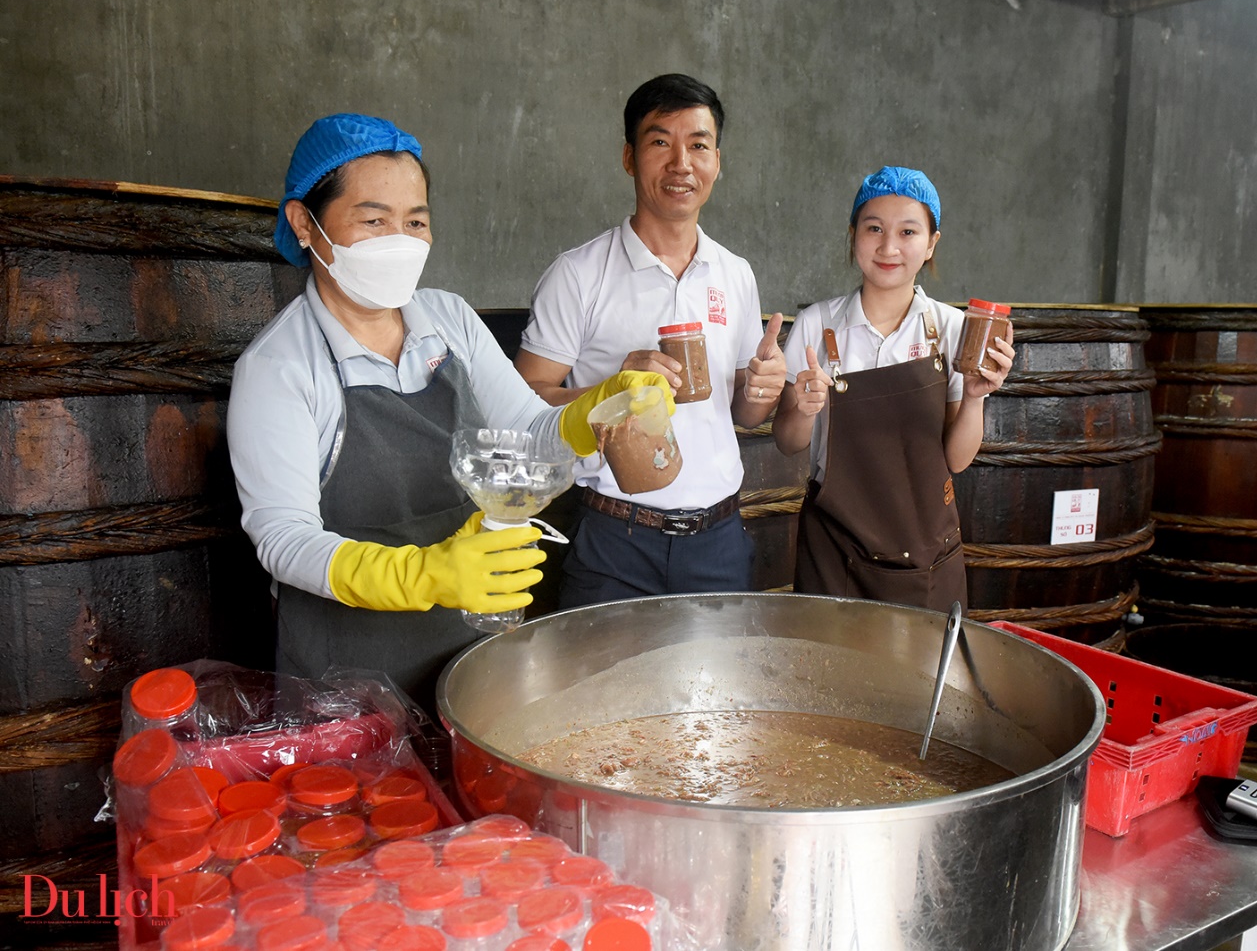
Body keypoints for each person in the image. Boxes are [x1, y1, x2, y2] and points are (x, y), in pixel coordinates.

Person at [228, 113, 669, 709]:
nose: (400, 239)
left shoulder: (449, 319)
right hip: (347, 677)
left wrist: (598, 409)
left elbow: (530, 436)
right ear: (305, 223)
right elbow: (283, 539)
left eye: (415, 221)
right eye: (373, 219)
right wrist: (424, 575)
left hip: (467, 650)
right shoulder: (279, 367)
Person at [516, 74, 787, 608]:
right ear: (628, 156)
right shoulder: (578, 274)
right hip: (614, 540)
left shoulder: (735, 274)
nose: (681, 163)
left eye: (699, 145)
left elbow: (745, 415)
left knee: (719, 693)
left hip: (720, 542)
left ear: (717, 160)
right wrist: (609, 390)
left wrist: (764, 388)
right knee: (600, 691)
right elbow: (524, 406)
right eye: (660, 142)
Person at [771, 166, 1015, 610]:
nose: (888, 247)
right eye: (874, 229)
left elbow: (956, 461)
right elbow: (788, 443)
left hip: (924, 555)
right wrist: (804, 410)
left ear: (932, 243)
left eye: (908, 231)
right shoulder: (817, 324)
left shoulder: (953, 328)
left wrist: (977, 397)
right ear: (853, 234)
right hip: (834, 549)